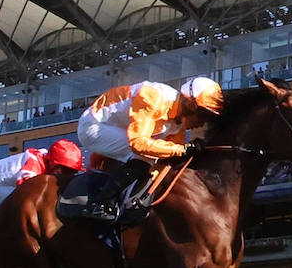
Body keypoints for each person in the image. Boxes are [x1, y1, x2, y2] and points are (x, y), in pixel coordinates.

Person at [75, 76, 223, 219]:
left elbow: (170, 156)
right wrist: (182, 149)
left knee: (156, 156)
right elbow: (138, 144)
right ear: (190, 105)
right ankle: (99, 204)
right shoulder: (153, 97)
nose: (203, 123)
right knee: (144, 155)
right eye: (203, 115)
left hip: (120, 129)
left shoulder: (179, 124)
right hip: (94, 125)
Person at [0, 140, 84, 242]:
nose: (70, 175)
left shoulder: (50, 161)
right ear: (54, 164)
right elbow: (26, 194)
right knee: (26, 203)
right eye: (67, 171)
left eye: (74, 171)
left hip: (6, 183)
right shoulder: (33, 164)